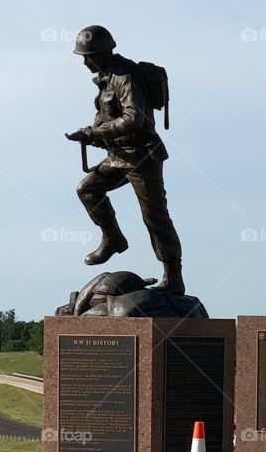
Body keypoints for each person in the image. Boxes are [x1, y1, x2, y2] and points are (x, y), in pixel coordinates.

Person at [65, 25, 184, 294]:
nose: (84, 62)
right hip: (117, 156)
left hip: (141, 158)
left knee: (154, 217)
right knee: (87, 189)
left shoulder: (125, 76)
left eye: (86, 56)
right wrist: (89, 136)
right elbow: (107, 119)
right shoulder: (106, 78)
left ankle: (173, 277)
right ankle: (113, 238)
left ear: (100, 54)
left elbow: (134, 119)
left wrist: (95, 132)